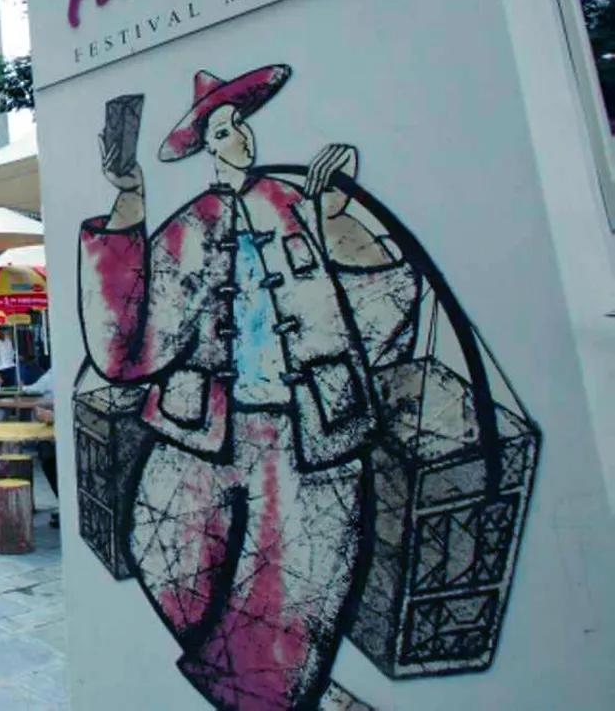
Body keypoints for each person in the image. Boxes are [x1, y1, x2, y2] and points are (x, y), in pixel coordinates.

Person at [78, 64, 426, 709]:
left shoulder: (301, 206)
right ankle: (281, 694)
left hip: (311, 428)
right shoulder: (189, 225)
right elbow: (130, 341)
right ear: (207, 145)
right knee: (165, 558)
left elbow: (387, 304)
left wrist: (333, 216)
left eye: (243, 124)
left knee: (293, 587)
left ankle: (279, 695)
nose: (242, 138)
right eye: (227, 127)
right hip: (198, 424)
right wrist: (129, 199)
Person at [22, 365, 58, 527]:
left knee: (49, 456)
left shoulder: (55, 373)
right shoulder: (55, 372)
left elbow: (33, 389)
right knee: (47, 453)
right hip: (59, 430)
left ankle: (66, 502)